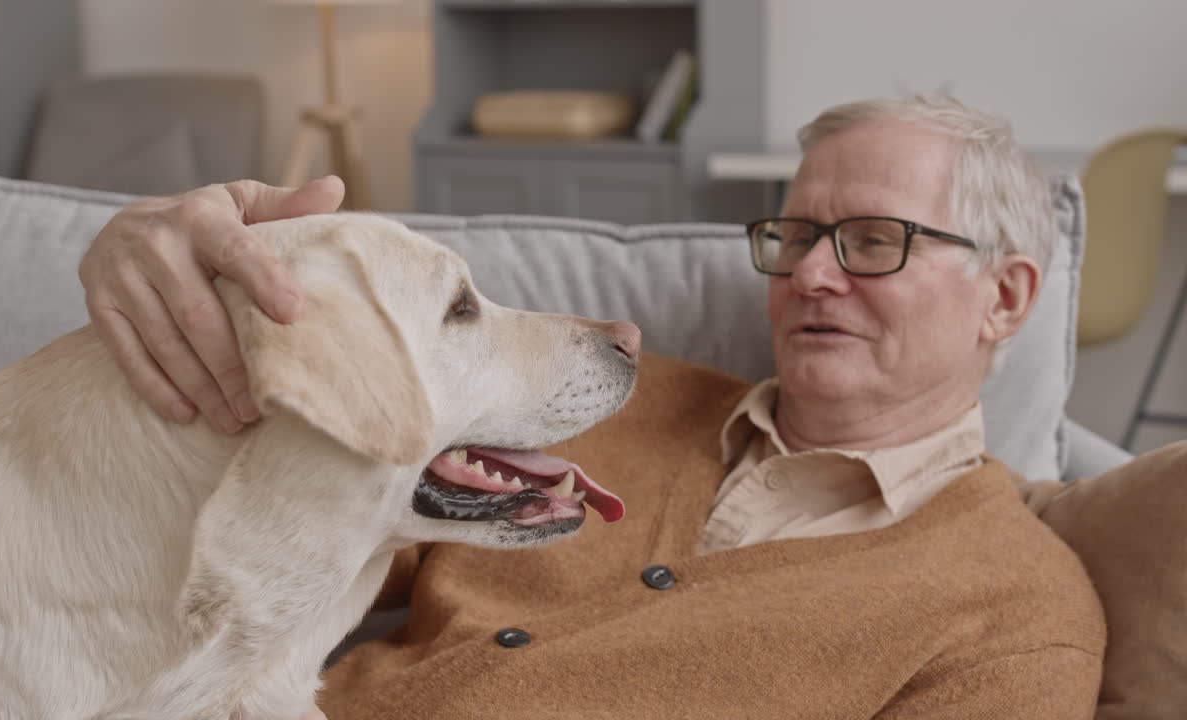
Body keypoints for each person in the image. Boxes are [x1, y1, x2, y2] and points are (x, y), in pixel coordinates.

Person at [79, 94, 1106, 718]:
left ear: (1004, 298)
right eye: (792, 238)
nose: (812, 278)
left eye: (872, 242)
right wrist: (173, 269)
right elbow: (261, 517)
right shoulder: (590, 396)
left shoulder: (1016, 613)